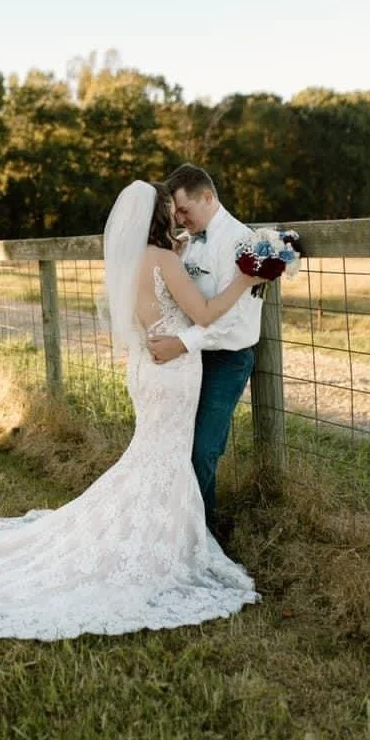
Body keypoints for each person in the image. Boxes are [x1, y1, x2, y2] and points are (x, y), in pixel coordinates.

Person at [0, 180, 262, 640]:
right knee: (165, 456)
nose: (178, 217)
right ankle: (169, 544)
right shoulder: (165, 261)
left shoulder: (132, 260)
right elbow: (206, 312)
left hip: (144, 368)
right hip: (172, 370)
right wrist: (245, 279)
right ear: (161, 217)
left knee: (153, 454)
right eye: (171, 212)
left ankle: (169, 536)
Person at [148, 164, 263, 537]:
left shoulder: (240, 242)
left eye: (185, 211)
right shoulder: (184, 242)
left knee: (203, 449)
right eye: (176, 213)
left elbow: (235, 317)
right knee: (178, 442)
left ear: (208, 198)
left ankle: (204, 534)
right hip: (188, 360)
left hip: (226, 358)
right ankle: (183, 527)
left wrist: (181, 343)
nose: (179, 219)